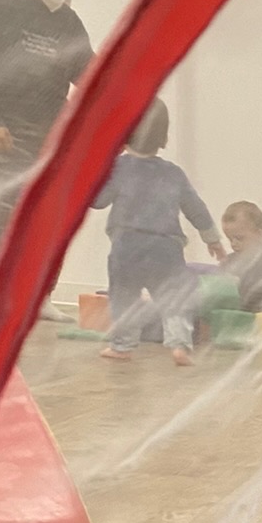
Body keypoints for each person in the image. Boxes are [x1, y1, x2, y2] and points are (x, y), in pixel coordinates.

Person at [0, 0, 92, 286]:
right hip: (9, 127)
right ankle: (3, 293)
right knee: (10, 208)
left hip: (52, 127)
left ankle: (40, 293)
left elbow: (88, 73)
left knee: (49, 212)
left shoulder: (68, 22)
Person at [92, 98, 224, 365]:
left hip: (127, 247)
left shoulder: (118, 168)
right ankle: (180, 346)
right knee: (175, 298)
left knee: (124, 297)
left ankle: (122, 346)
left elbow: (98, 201)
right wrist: (212, 239)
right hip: (166, 249)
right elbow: (196, 208)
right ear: (163, 139)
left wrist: (96, 171)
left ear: (124, 137)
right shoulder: (173, 174)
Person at [217, 200, 262, 313]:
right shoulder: (228, 262)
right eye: (230, 239)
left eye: (239, 238)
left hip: (259, 316)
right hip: (233, 317)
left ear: (260, 234)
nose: (233, 244)